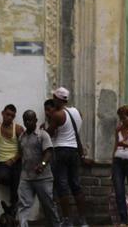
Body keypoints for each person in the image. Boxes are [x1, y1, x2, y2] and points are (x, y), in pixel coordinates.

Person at [44, 89, 89, 227]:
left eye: (54, 97)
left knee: (62, 187)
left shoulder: (57, 115)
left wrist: (42, 129)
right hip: (74, 151)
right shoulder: (77, 112)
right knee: (76, 185)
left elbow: (49, 134)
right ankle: (82, 220)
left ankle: (67, 220)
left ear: (58, 99)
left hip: (61, 151)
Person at [16, 110, 61, 227]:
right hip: (26, 177)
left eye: (30, 119)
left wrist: (42, 164)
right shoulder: (21, 137)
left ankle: (56, 225)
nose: (27, 122)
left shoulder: (43, 135)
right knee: (23, 205)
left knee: (48, 205)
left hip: (43, 178)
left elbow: (49, 152)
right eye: (25, 119)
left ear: (35, 120)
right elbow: (21, 154)